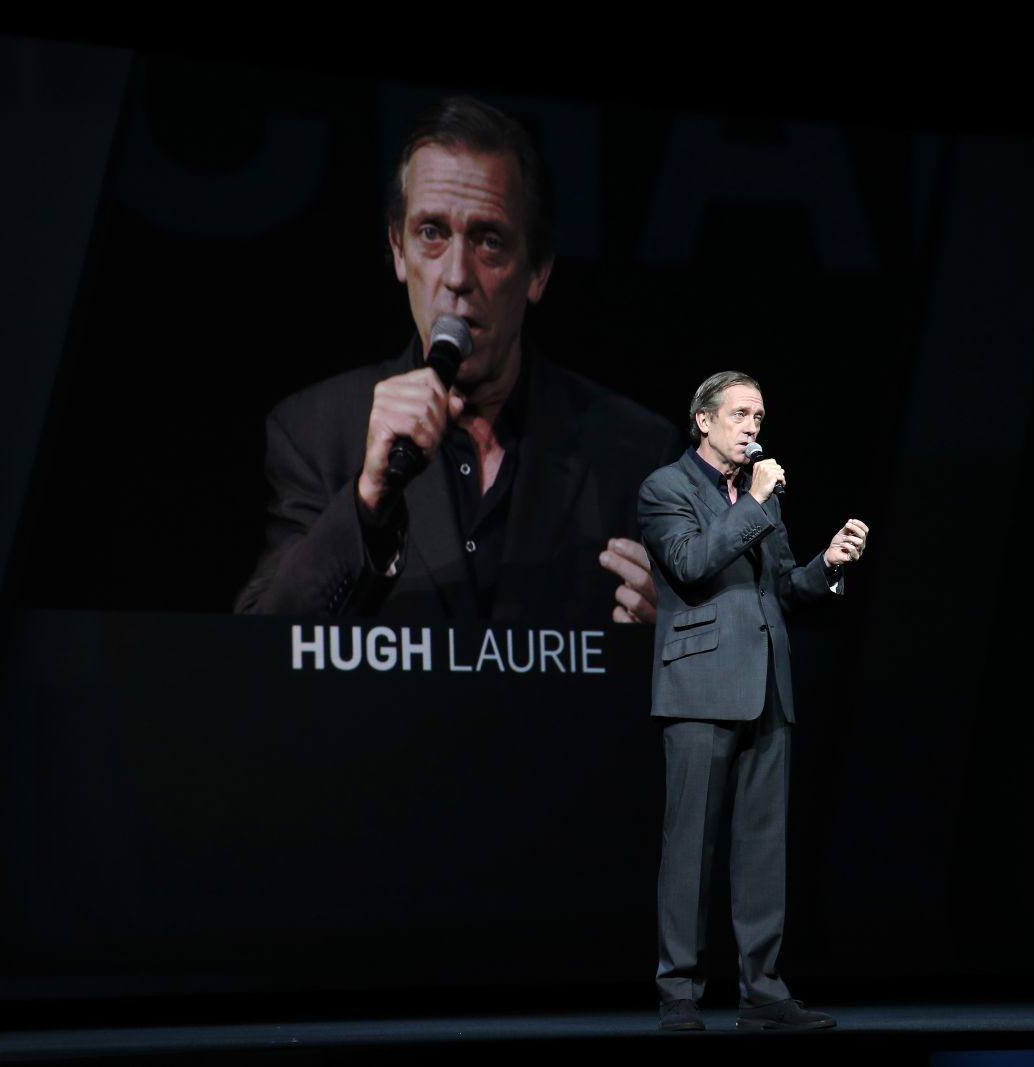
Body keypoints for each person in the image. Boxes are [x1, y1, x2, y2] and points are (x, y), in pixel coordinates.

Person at [234, 97, 679, 622]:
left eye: (489, 242)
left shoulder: (636, 451)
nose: (457, 276)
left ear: (537, 270)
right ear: (398, 250)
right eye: (431, 233)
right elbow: (258, 647)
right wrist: (367, 499)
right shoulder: (316, 432)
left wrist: (673, 636)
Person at [639, 371, 868, 1032]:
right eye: (739, 414)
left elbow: (785, 590)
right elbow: (689, 564)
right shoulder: (666, 488)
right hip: (700, 688)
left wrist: (828, 564)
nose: (752, 427)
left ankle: (763, 992)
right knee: (690, 849)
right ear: (704, 421)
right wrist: (756, 501)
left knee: (764, 848)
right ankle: (679, 993)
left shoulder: (760, 497)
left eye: (759, 416)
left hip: (767, 685)